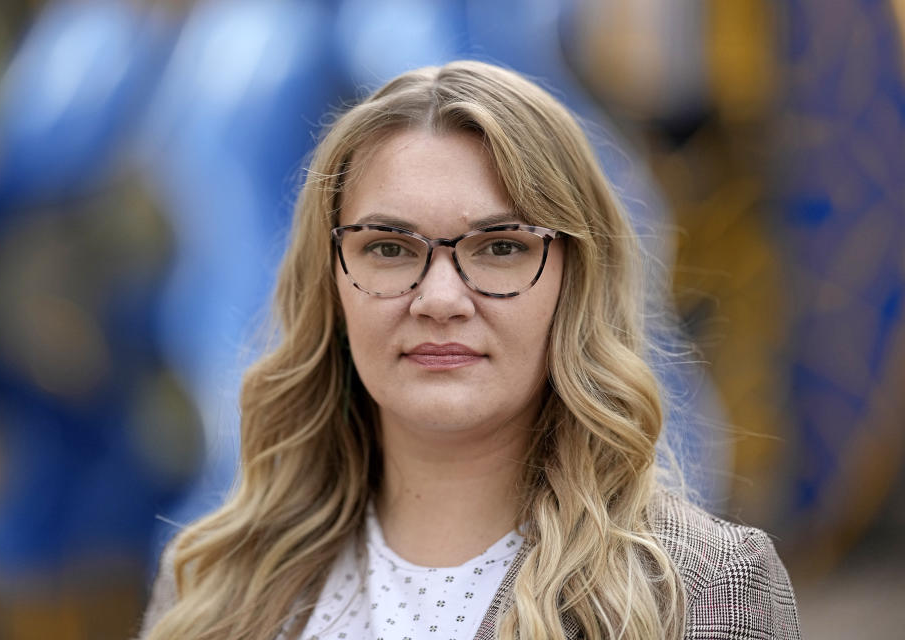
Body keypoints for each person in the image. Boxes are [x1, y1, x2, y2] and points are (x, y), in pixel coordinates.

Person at [137, 60, 801, 640]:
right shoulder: (211, 586)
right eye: (390, 248)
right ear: (331, 285)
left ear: (575, 283)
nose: (441, 298)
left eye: (502, 247)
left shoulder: (704, 588)